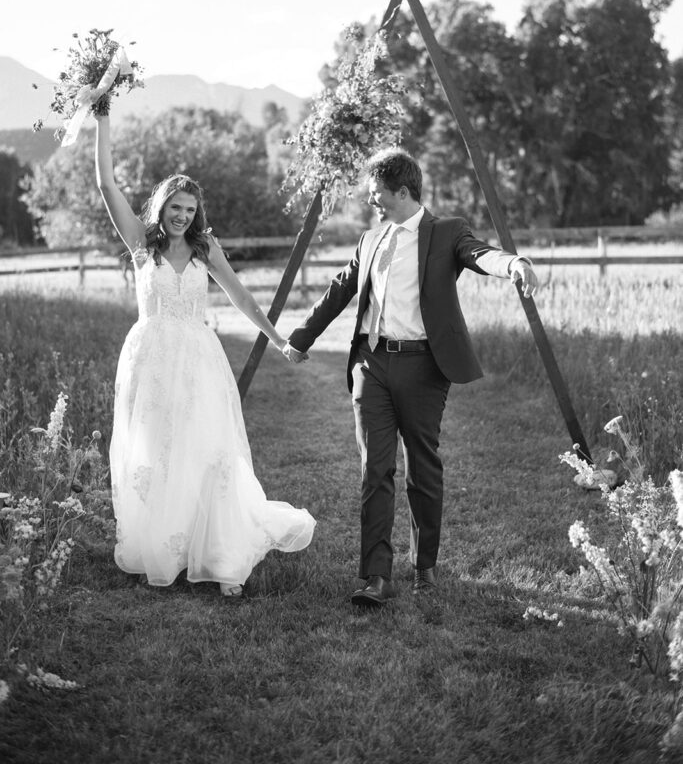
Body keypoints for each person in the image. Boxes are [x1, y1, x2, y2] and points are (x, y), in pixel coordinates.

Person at [283, 148, 537, 608]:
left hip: (423, 366)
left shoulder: (446, 232)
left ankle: (425, 567)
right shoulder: (370, 239)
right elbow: (340, 288)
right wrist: (302, 337)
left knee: (422, 465)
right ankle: (374, 576)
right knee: (374, 469)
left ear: (401, 191)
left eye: (376, 194)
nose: (370, 202)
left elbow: (481, 255)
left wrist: (513, 264)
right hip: (370, 364)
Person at [95, 112, 315, 598]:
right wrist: (103, 112)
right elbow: (106, 181)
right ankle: (163, 547)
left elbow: (241, 296)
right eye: (176, 207)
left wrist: (278, 339)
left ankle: (220, 553)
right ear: (161, 206)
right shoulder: (140, 244)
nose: (182, 216)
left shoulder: (204, 248)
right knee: (156, 452)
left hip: (197, 360)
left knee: (208, 451)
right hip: (150, 360)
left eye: (190, 210)